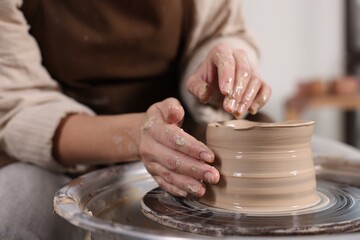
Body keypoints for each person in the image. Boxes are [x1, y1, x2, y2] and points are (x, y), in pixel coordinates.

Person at [0, 0, 271, 239]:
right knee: (11, 211)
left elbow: (219, 29)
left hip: (184, 142)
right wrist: (136, 134)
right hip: (63, 149)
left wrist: (218, 75)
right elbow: (17, 104)